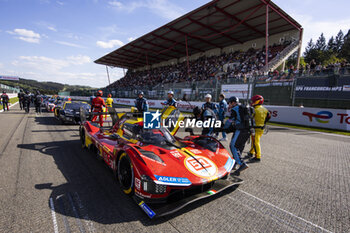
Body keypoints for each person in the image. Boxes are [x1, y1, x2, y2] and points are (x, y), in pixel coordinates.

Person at [226, 96, 252, 176]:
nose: (229, 105)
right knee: (239, 147)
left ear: (233, 102)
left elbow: (230, 120)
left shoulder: (235, 109)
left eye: (229, 103)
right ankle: (235, 163)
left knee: (233, 146)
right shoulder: (245, 107)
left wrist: (224, 127)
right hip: (248, 131)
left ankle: (241, 164)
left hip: (240, 130)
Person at [247, 95, 271, 163]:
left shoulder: (253, 109)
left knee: (255, 142)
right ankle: (251, 152)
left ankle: (258, 157)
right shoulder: (265, 109)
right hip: (261, 128)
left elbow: (250, 118)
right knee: (254, 141)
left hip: (255, 128)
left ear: (257, 101)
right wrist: (263, 123)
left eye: (253, 101)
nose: (252, 102)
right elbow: (268, 117)